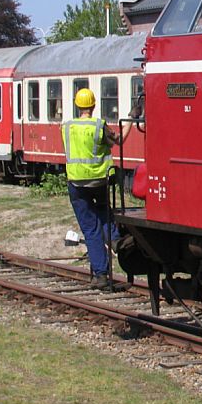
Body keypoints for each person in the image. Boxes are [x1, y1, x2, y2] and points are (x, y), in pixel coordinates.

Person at [62, 87, 140, 291]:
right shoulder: (99, 126)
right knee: (105, 211)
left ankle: (101, 275)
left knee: (90, 229)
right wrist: (131, 118)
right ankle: (114, 239)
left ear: (77, 105)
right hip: (100, 181)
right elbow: (119, 141)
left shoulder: (67, 127)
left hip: (76, 183)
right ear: (94, 105)